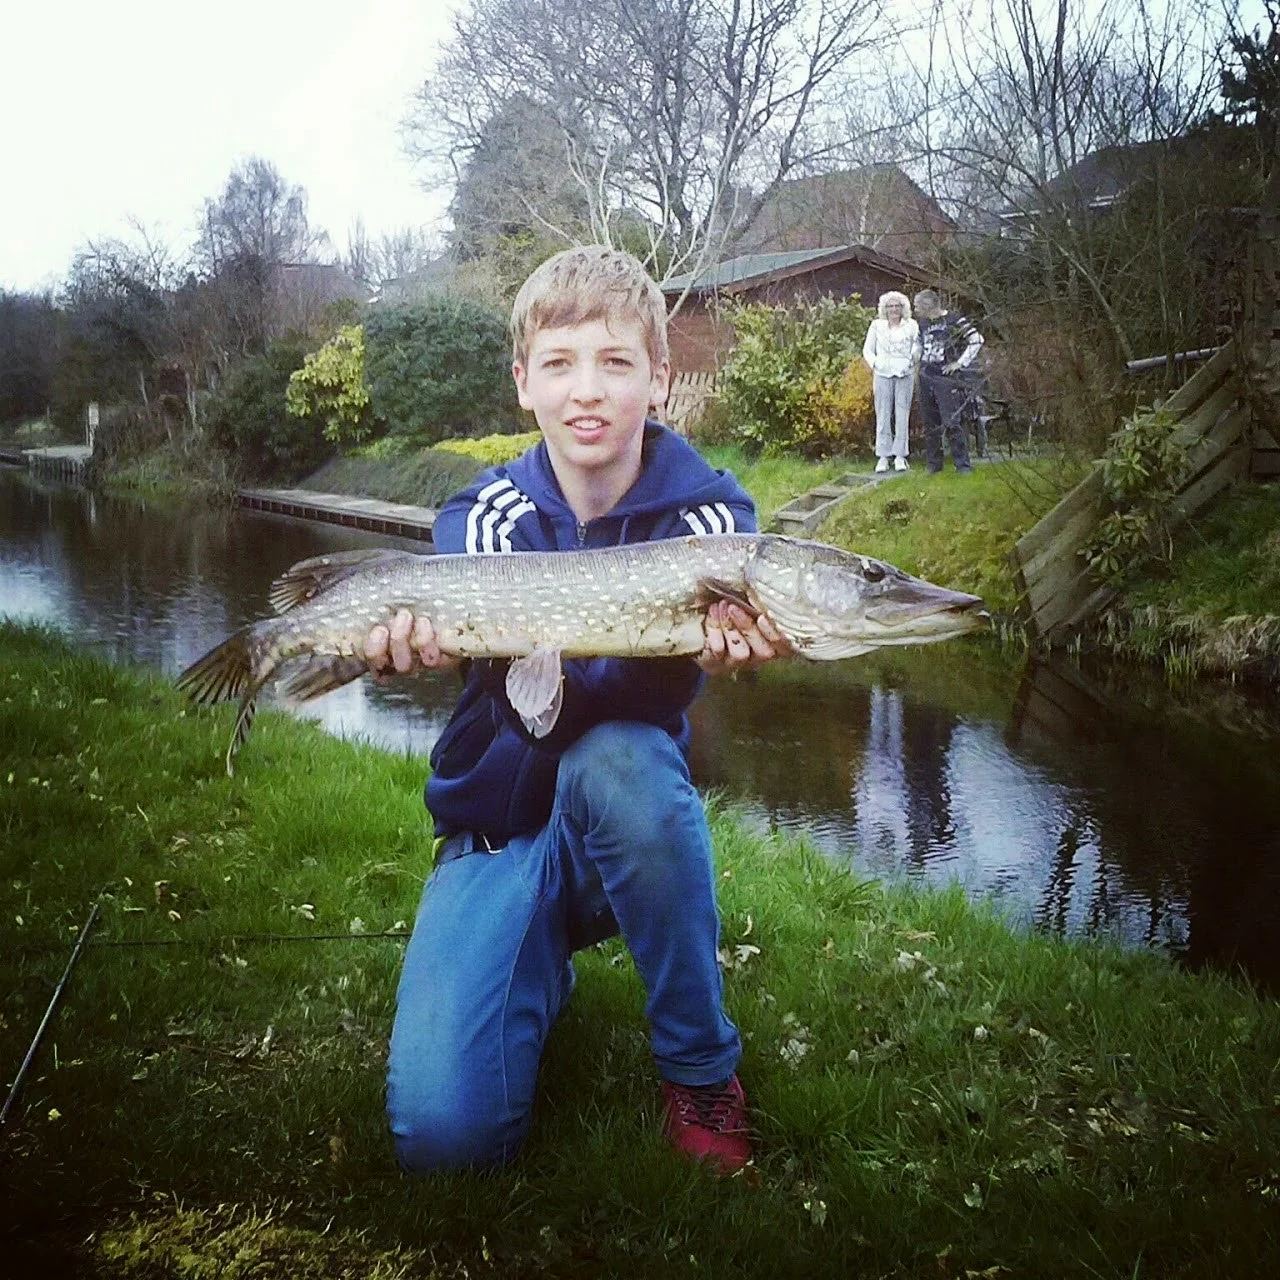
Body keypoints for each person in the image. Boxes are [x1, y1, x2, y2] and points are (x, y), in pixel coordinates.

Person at [363, 246, 792, 1177]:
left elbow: (621, 718)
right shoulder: (483, 517)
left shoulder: (717, 528)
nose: (587, 391)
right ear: (524, 383)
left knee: (623, 757)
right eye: (559, 364)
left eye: (615, 362)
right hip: (497, 832)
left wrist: (700, 656)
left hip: (621, 829)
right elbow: (528, 713)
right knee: (448, 1146)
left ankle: (699, 1067)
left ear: (660, 379)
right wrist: (417, 649)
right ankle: (528, 965)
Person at [912, 289, 984, 474]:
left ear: (927, 305)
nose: (915, 309)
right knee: (930, 424)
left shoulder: (954, 320)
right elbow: (919, 345)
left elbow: (976, 339)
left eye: (917, 305)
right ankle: (934, 466)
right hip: (926, 375)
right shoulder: (923, 324)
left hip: (946, 378)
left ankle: (963, 465)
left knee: (951, 421)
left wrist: (959, 363)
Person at [861, 290, 920, 473]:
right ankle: (883, 456)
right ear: (884, 309)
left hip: (904, 373)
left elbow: (917, 347)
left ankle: (900, 456)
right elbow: (868, 350)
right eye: (890, 306)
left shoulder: (911, 325)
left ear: (903, 308)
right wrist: (876, 364)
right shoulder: (877, 325)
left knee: (902, 414)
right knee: (883, 414)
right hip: (882, 374)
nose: (894, 309)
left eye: (897, 306)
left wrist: (910, 362)